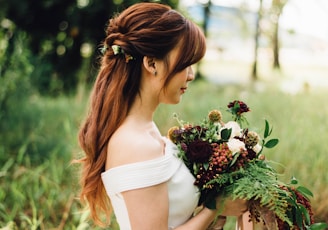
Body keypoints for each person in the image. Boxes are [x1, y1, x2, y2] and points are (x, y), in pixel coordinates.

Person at [78, 2, 247, 229]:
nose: (191, 75)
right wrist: (215, 208)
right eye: (185, 64)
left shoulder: (146, 131)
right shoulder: (135, 144)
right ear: (151, 63)